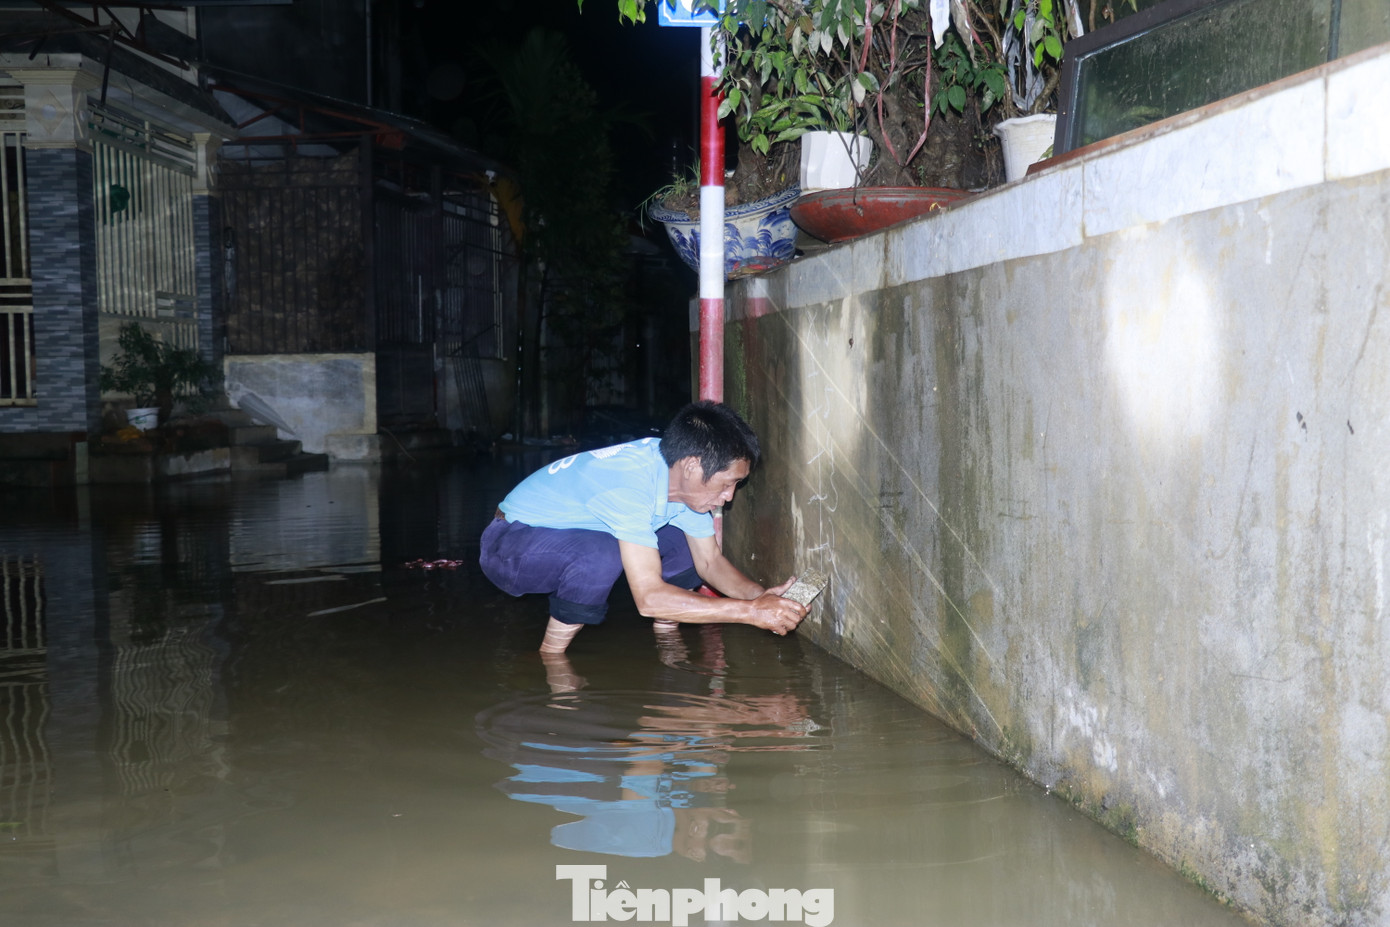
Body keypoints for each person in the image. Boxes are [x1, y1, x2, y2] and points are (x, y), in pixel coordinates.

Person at [479, 400, 808, 653]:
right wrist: (750, 613)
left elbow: (710, 562)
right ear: (692, 465)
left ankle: (667, 637)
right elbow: (647, 598)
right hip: (510, 546)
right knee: (600, 556)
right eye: (726, 484)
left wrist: (761, 597)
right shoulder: (628, 484)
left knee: (685, 549)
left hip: (579, 533)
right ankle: (550, 659)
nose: (728, 497)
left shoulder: (679, 478)